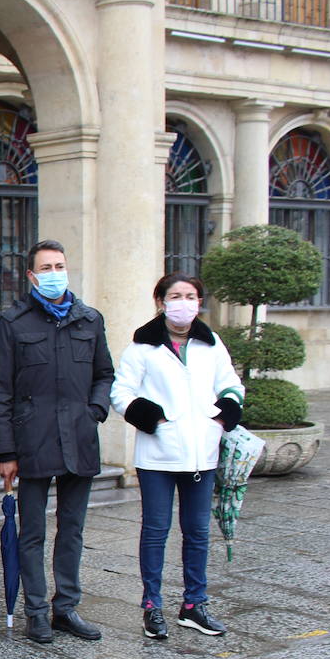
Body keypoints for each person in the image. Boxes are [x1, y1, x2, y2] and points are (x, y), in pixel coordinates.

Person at [0, 239, 115, 644]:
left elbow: (104, 373)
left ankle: (66, 607)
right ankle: (37, 611)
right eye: (45, 267)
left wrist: (94, 410)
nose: (53, 273)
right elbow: (2, 389)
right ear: (31, 276)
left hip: (79, 437)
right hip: (33, 439)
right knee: (32, 532)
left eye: (59, 265)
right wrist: (5, 450)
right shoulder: (13, 323)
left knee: (73, 528)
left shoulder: (89, 319)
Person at [111, 273, 243, 640]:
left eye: (191, 296)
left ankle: (194, 605)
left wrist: (222, 417)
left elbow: (231, 383)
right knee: (156, 531)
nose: (183, 302)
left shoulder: (211, 343)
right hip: (158, 455)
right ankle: (152, 605)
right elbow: (120, 392)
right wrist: (152, 418)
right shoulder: (142, 346)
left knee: (198, 532)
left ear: (199, 302)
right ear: (160, 302)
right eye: (175, 295)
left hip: (202, 454)